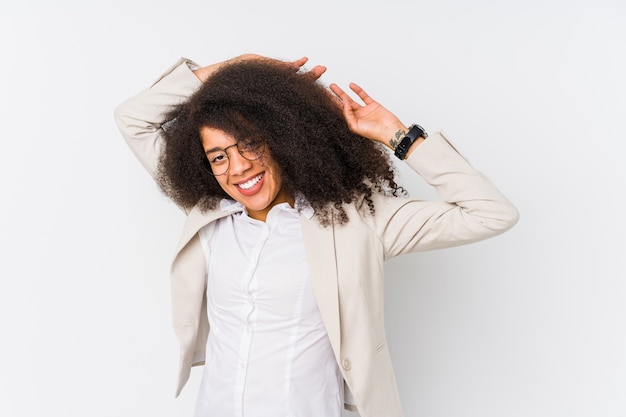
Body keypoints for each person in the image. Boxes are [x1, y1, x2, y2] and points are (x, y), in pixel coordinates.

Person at [114, 54, 519, 417]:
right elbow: (132, 118)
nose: (237, 168)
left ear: (284, 139)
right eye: (219, 156)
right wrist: (230, 69)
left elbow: (491, 214)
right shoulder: (209, 214)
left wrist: (398, 135)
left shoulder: (357, 223)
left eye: (250, 145)